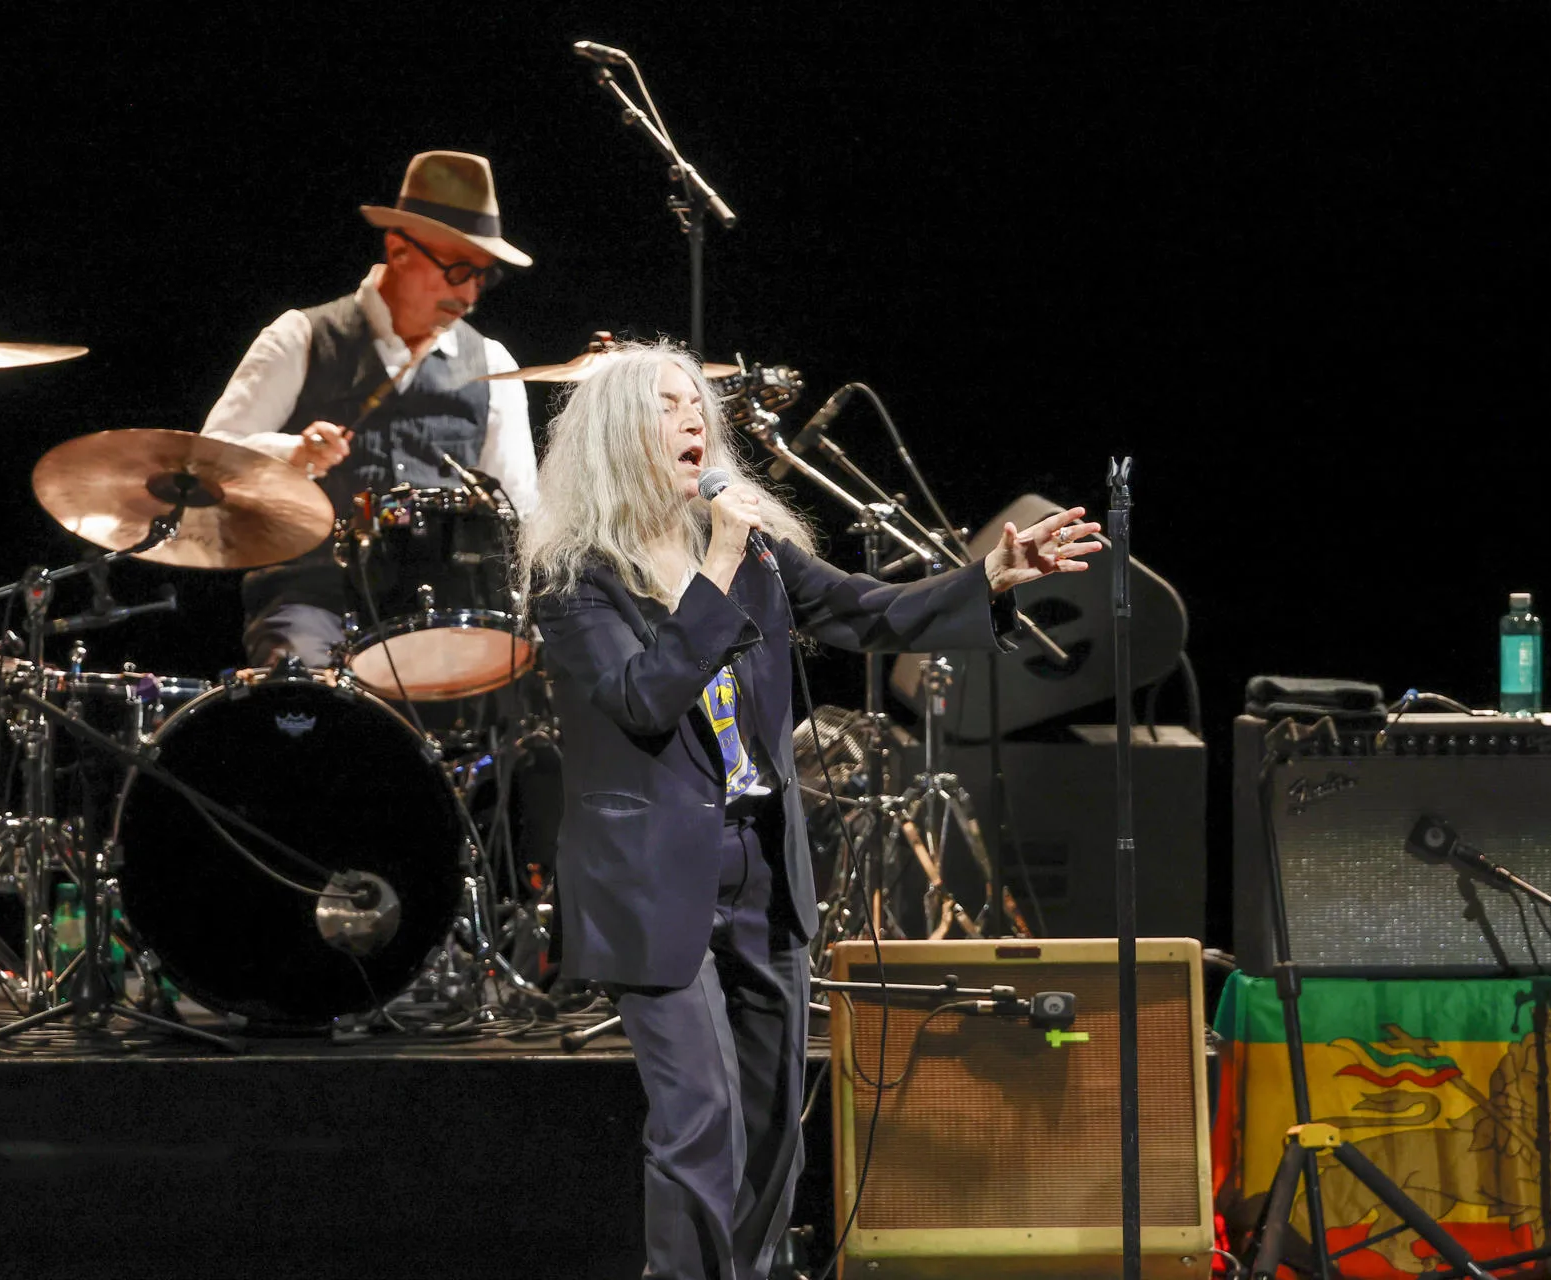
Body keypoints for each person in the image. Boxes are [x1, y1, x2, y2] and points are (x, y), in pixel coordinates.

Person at [520, 342, 1102, 1280]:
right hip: (650, 877)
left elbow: (870, 612)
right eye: (668, 406)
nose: (694, 420)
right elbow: (642, 698)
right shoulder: (576, 576)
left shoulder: (756, 554)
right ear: (618, 433)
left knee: (769, 1118)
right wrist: (717, 562)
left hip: (761, 862)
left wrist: (989, 577)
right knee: (698, 1115)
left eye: (698, 404)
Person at [201, 150, 540, 667]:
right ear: (399, 250)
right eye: (456, 269)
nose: (470, 293)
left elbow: (518, 514)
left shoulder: (492, 364)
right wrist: (293, 454)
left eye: (482, 276)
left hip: (444, 609)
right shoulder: (303, 337)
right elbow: (210, 460)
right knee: (307, 692)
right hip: (315, 600)